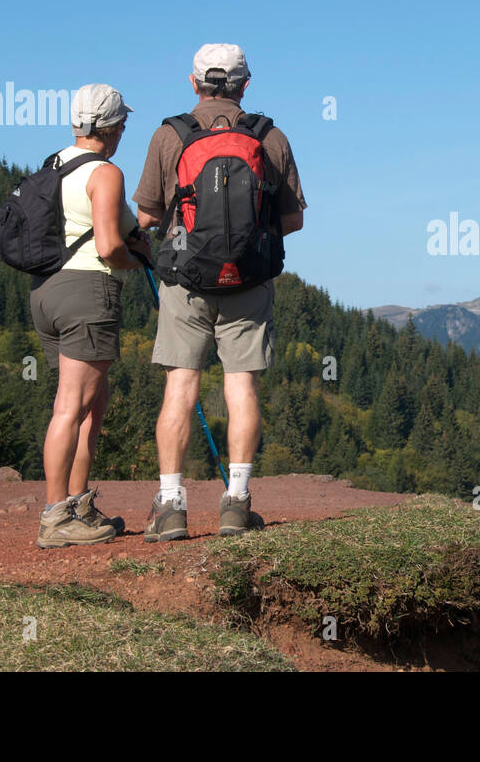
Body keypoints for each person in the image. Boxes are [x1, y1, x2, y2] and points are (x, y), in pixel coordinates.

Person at [133, 44, 306, 541]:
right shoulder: (270, 137)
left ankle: (171, 506)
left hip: (185, 279)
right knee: (241, 387)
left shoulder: (170, 135)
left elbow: (146, 216)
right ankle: (236, 501)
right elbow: (292, 219)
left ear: (194, 83)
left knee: (180, 388)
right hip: (249, 280)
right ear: (245, 85)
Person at [32, 84, 152, 548]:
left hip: (46, 292)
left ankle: (78, 504)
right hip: (87, 292)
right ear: (109, 127)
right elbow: (106, 247)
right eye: (122, 123)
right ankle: (56, 517)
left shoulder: (53, 165)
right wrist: (135, 258)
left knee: (91, 403)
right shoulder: (105, 172)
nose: (124, 130)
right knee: (71, 405)